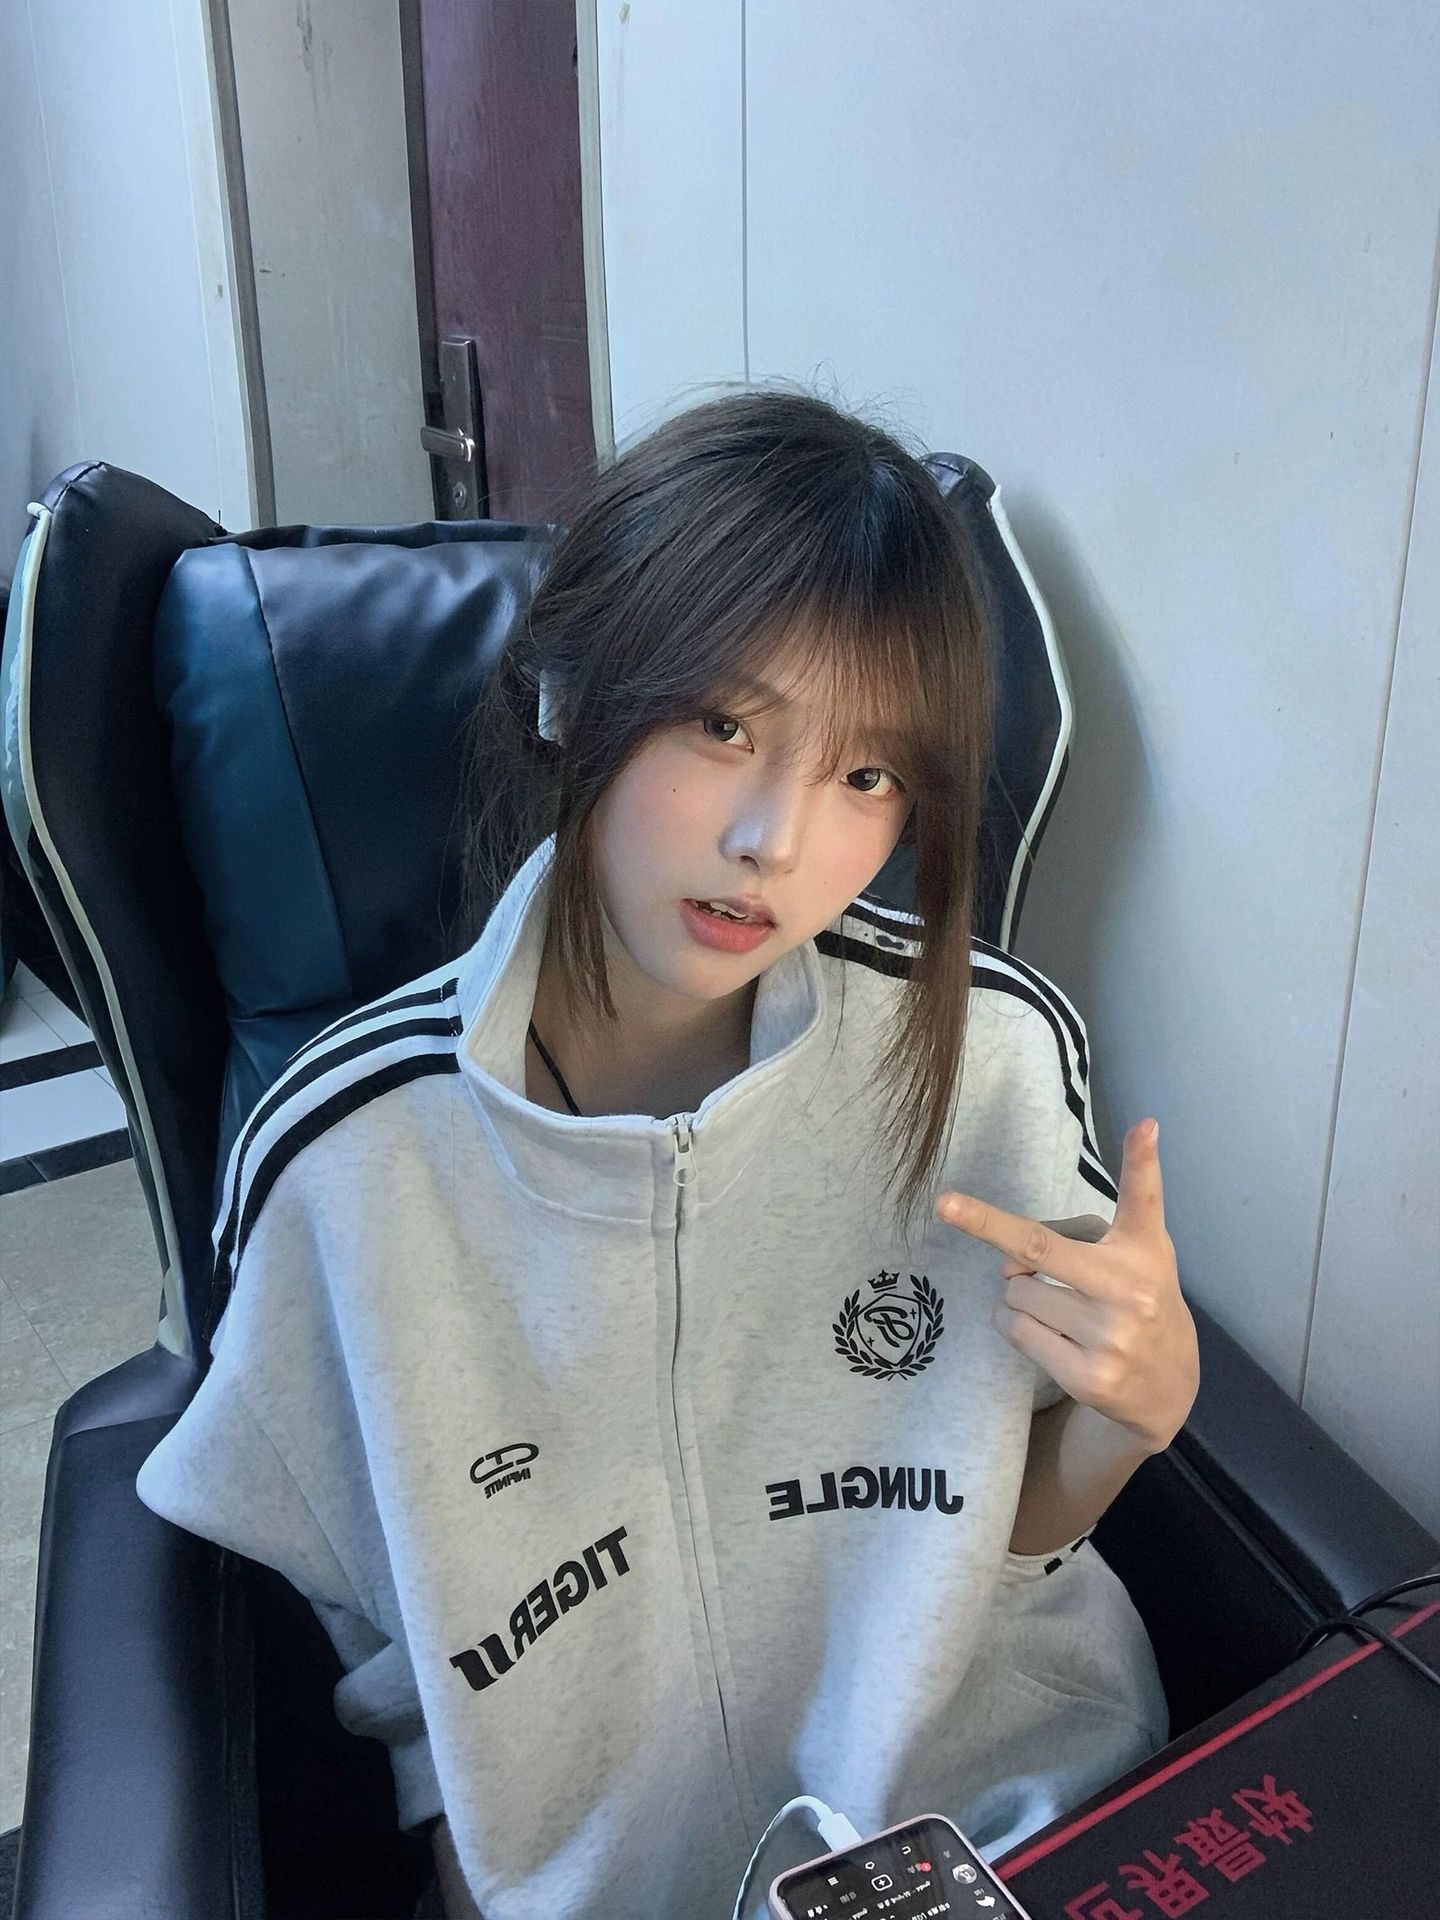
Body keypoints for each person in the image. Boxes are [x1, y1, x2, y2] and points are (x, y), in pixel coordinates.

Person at [135, 384, 1196, 1920]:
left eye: (867, 776)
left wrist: (1125, 1422)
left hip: (1009, 1834)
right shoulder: (344, 1159)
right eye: (723, 726)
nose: (777, 841)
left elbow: (993, 1555)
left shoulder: (989, 1055)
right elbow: (387, 1656)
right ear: (568, 690)